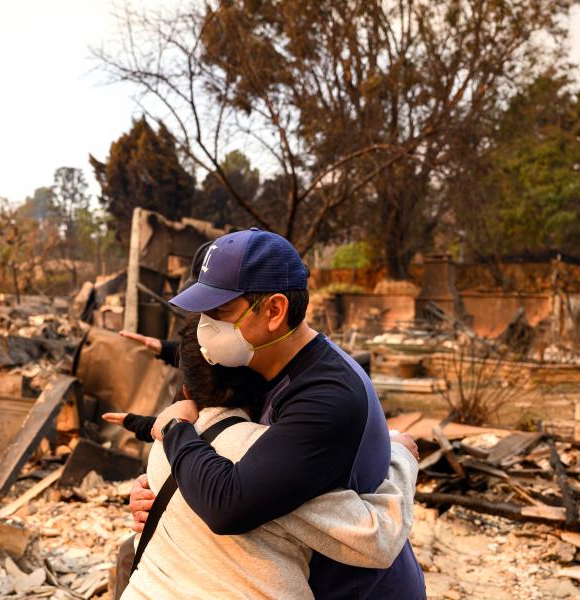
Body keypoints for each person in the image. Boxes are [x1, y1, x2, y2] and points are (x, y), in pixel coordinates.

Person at [136, 228, 424, 598]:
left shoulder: (327, 397)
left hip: (355, 589)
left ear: (274, 310)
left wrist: (176, 428)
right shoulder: (248, 362)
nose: (207, 325)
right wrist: (153, 488)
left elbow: (229, 505)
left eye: (220, 311)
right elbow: (219, 444)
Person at [106, 315, 419, 599]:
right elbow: (378, 538)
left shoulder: (166, 443)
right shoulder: (267, 463)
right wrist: (401, 456)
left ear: (187, 390)